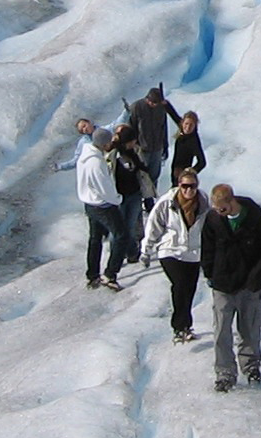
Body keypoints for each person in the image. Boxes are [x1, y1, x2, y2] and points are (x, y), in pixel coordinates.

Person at [200, 184, 261, 391]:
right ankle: (225, 372)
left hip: (249, 286)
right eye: (216, 209)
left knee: (250, 329)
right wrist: (210, 273)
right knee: (221, 331)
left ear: (232, 201)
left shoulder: (254, 217)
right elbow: (207, 249)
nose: (219, 213)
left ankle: (251, 366)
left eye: (223, 209)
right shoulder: (213, 220)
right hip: (223, 284)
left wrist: (258, 277)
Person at [142, 169, 207, 342]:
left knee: (190, 288)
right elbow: (154, 225)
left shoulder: (203, 203)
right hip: (169, 250)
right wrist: (146, 250)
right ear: (179, 185)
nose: (188, 190)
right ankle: (179, 326)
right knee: (180, 285)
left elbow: (208, 228)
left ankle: (186, 326)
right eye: (185, 186)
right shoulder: (167, 203)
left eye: (192, 186)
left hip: (193, 253)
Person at [61, 117, 125, 289]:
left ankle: (93, 274)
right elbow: (104, 188)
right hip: (103, 205)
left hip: (89, 204)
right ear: (103, 144)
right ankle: (110, 274)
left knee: (95, 239)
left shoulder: (85, 154)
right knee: (121, 236)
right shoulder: (96, 162)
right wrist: (118, 199)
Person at [109, 122, 153, 262]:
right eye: (131, 142)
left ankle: (132, 253)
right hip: (118, 197)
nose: (134, 144)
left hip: (134, 194)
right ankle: (116, 255)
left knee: (131, 225)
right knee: (117, 230)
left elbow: (142, 171)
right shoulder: (113, 155)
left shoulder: (135, 152)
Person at [129, 84, 182, 184]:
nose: (153, 105)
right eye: (152, 102)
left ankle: (152, 197)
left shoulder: (161, 107)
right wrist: (134, 147)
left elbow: (163, 127)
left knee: (154, 176)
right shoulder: (136, 107)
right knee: (141, 177)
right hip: (142, 149)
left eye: (156, 103)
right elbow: (131, 127)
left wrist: (165, 145)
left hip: (157, 148)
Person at [170, 111, 205, 182]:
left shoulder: (194, 140)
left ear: (195, 126)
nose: (188, 127)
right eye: (186, 124)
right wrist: (164, 103)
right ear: (182, 123)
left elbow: (202, 162)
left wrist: (188, 172)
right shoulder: (182, 129)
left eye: (191, 125)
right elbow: (173, 115)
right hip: (175, 170)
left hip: (183, 176)